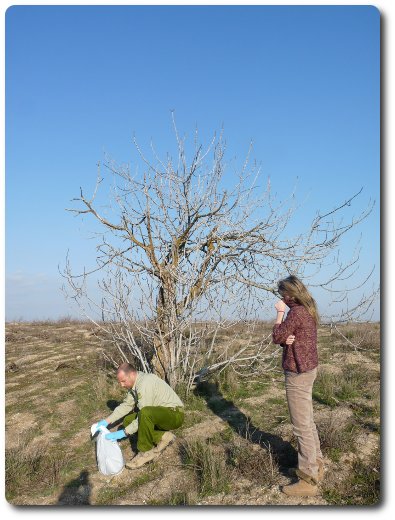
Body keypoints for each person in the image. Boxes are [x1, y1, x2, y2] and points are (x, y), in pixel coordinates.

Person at [272, 275, 323, 497]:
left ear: (289, 294)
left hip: (298, 374)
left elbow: (276, 335)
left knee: (301, 426)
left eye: (281, 294)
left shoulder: (295, 312)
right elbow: (287, 337)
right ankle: (317, 464)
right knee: (308, 422)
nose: (280, 297)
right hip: (309, 369)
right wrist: (287, 339)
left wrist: (279, 313)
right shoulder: (308, 309)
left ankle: (308, 480)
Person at [91, 363, 184, 470]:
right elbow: (126, 406)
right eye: (120, 382)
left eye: (123, 381)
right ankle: (164, 437)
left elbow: (144, 413)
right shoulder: (135, 385)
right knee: (128, 420)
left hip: (174, 415)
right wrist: (106, 421)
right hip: (160, 415)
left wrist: (124, 432)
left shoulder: (145, 384)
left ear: (131, 375)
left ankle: (146, 452)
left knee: (144, 413)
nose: (121, 385)